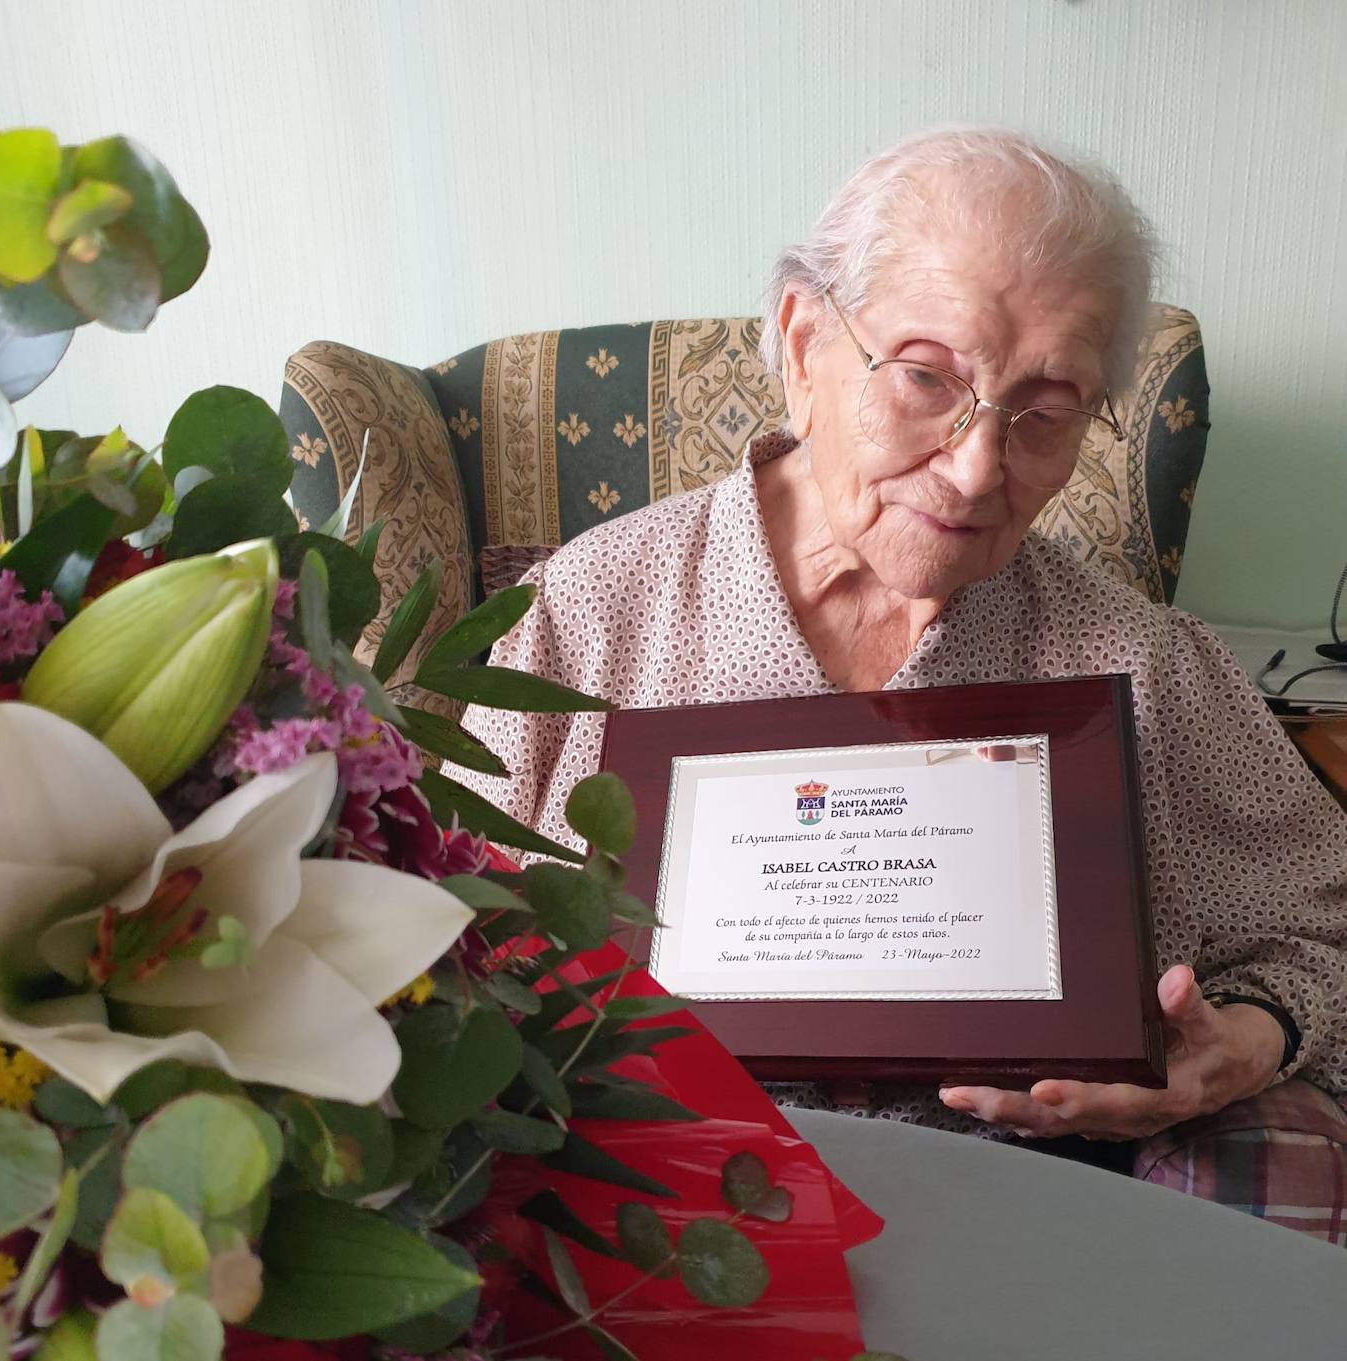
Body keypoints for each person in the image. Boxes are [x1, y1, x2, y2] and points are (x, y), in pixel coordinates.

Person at [449, 128, 1347, 1156]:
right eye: (925, 377)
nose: (975, 469)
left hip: (1019, 1213)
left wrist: (1245, 1041)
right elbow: (437, 935)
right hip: (635, 1211)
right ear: (802, 348)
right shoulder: (589, 612)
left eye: (1046, 412)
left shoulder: (1142, 663)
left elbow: (1322, 930)